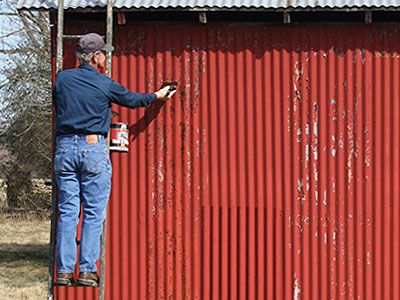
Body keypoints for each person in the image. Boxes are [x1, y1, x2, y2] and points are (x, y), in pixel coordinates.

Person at [52, 33, 176, 286]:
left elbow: (58, 105)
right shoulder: (104, 83)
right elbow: (132, 100)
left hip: (65, 147)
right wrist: (157, 95)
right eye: (102, 54)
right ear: (96, 56)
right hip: (92, 148)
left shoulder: (62, 79)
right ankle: (87, 271)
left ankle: (64, 272)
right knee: (94, 212)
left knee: (67, 212)